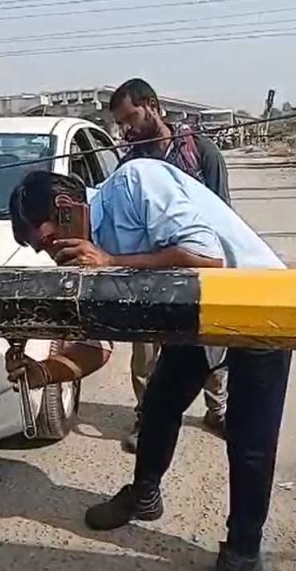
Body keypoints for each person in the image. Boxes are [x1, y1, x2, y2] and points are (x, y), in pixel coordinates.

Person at [6, 160, 292, 571]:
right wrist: (42, 373)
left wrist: (111, 261)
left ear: (67, 206)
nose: (53, 255)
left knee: (250, 439)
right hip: (198, 312)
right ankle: (144, 495)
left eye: (49, 241)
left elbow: (207, 259)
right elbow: (95, 348)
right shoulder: (84, 255)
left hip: (263, 304)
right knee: (158, 405)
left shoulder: (136, 182)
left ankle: (244, 547)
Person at [109, 78, 232, 451]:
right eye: (120, 123)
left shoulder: (200, 152)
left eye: (130, 117)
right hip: (150, 272)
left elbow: (225, 217)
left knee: (210, 345)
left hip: (200, 269)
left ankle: (219, 410)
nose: (126, 129)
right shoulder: (131, 165)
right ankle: (147, 417)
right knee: (145, 351)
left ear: (152, 105)